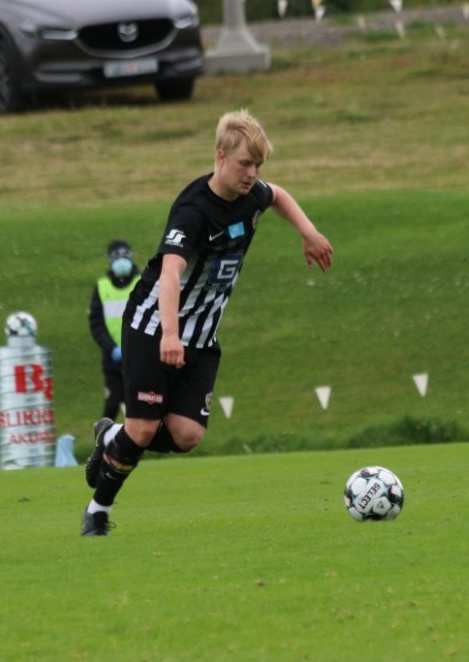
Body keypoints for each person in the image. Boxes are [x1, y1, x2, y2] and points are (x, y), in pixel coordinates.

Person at [81, 109, 333, 536]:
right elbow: (169, 274)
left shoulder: (252, 195)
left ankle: (110, 437)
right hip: (152, 327)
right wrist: (170, 335)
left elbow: (278, 195)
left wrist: (308, 232)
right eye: (245, 164)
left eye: (258, 165)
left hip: (201, 337)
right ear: (220, 156)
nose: (252, 174)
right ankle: (98, 512)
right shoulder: (193, 211)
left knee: (187, 435)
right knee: (143, 428)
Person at [88, 240, 140, 421]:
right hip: (113, 360)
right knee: (112, 403)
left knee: (140, 405)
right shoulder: (102, 287)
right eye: (117, 257)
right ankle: (102, 438)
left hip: (139, 356)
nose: (122, 261)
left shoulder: (142, 283)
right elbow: (96, 323)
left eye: (125, 256)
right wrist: (111, 348)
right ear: (110, 261)